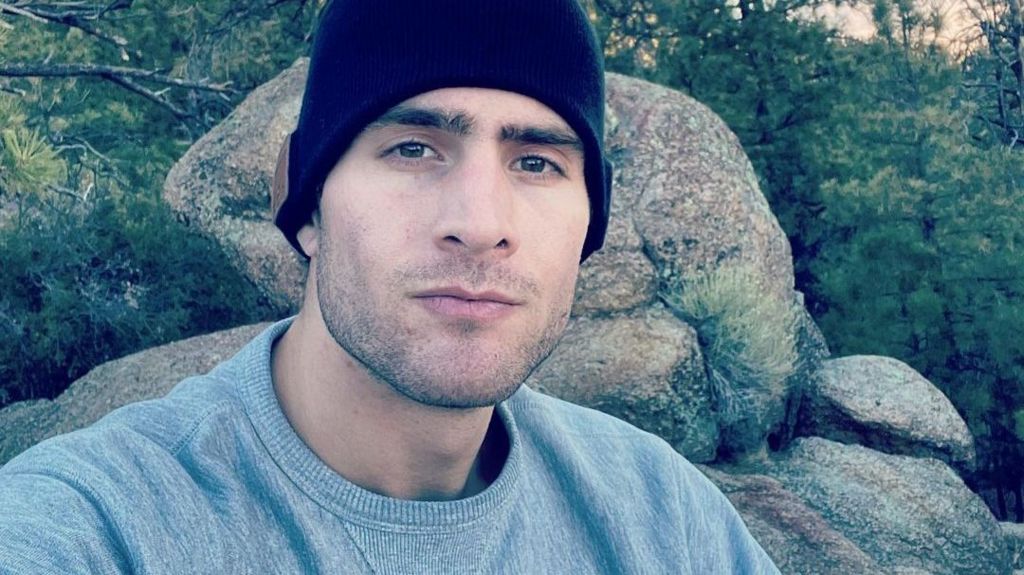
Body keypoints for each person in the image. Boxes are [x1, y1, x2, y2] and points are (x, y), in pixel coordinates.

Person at [0, 0, 780, 573]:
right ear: (307, 208)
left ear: (588, 227)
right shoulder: (101, 525)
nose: (480, 223)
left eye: (538, 161)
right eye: (413, 148)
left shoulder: (667, 523)